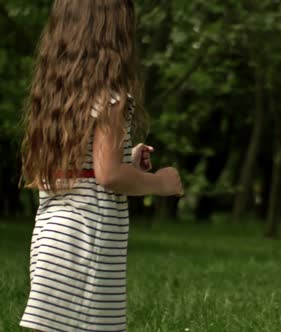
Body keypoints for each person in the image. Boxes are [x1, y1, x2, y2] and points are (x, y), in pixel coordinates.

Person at [19, 1, 183, 331]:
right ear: (113, 32)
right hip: (87, 245)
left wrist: (129, 160)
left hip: (50, 241)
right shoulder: (111, 97)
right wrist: (163, 183)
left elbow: (73, 171)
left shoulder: (57, 95)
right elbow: (108, 176)